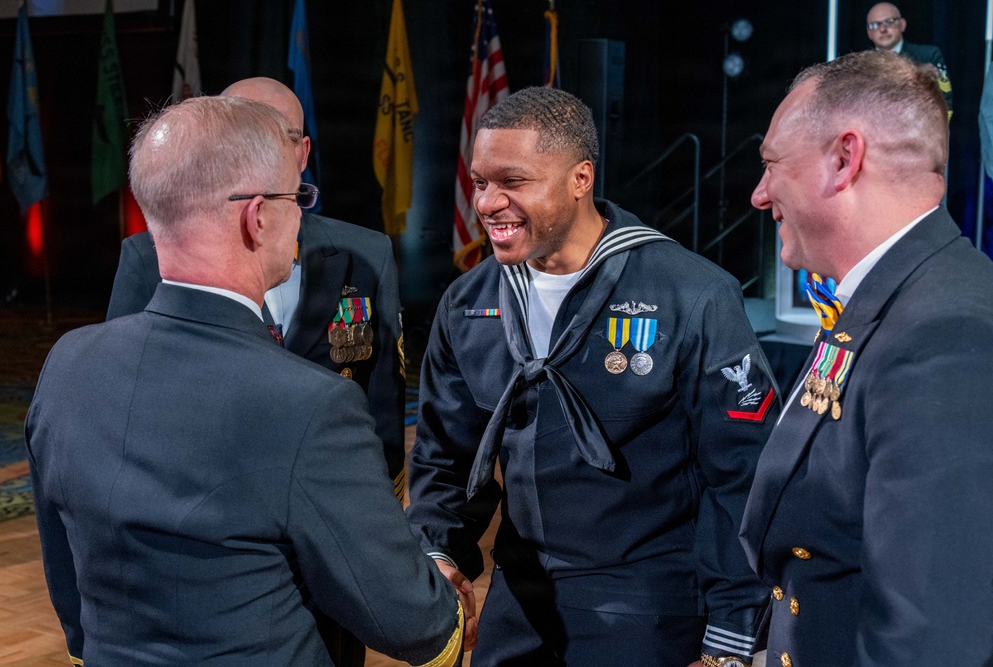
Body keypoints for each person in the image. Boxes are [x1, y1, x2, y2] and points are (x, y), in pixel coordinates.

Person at [26, 96, 465, 666]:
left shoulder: (67, 364)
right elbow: (411, 623)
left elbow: (68, 582)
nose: (303, 214)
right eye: (296, 197)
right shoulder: (310, 404)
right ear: (257, 217)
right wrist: (439, 580)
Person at [406, 86, 780, 667]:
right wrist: (438, 555)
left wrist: (731, 638)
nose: (487, 202)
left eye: (514, 181)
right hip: (518, 607)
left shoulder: (692, 295)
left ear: (581, 179)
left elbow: (744, 478)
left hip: (650, 605)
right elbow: (442, 455)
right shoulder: (468, 303)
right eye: (480, 182)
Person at [741, 50, 993, 667]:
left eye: (772, 164)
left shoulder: (945, 333)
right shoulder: (891, 299)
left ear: (845, 158)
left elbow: (929, 641)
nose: (759, 193)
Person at [107, 77, 407, 501]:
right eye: (243, 132)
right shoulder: (149, 255)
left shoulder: (366, 252)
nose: (259, 148)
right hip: (207, 497)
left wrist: (379, 500)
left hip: (330, 493)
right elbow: (126, 394)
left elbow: (383, 399)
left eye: (276, 134)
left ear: (302, 152)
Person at [866, 2, 952, 116]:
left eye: (889, 22)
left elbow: (944, 101)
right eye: (875, 25)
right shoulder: (862, 63)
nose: (882, 29)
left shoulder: (928, 56)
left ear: (902, 24)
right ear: (869, 33)